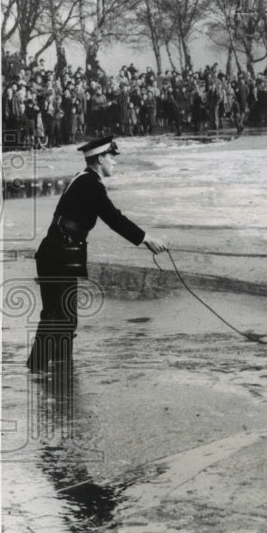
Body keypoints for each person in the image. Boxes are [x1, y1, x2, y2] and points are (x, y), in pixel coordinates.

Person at [27, 136, 168, 372]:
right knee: (57, 317)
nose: (115, 162)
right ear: (100, 158)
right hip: (59, 254)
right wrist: (146, 238)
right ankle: (38, 370)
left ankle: (60, 370)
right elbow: (113, 218)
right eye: (112, 157)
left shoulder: (84, 180)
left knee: (64, 319)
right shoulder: (90, 185)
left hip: (59, 253)